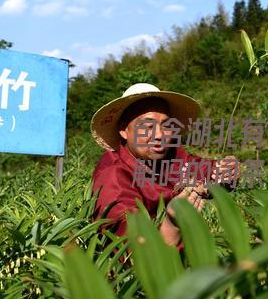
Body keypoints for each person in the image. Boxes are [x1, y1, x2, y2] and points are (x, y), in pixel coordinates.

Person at [90, 83, 238, 248]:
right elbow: (128, 246)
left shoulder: (170, 155)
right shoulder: (113, 175)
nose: (159, 135)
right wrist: (172, 225)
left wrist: (225, 170)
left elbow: (199, 168)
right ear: (124, 130)